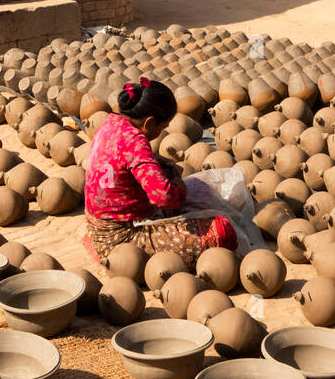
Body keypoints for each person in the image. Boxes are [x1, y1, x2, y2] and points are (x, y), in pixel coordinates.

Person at [83, 77, 238, 268]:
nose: (164, 130)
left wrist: (159, 162)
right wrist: (180, 189)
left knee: (166, 170)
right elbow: (163, 197)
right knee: (222, 230)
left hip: (97, 225)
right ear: (148, 123)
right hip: (121, 238)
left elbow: (122, 159)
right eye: (163, 126)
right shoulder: (135, 140)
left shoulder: (110, 123)